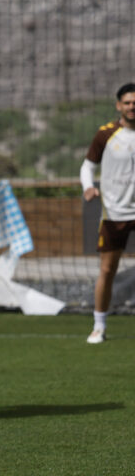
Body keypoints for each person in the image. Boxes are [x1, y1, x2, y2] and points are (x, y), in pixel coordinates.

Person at [80, 82, 135, 344]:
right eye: (127, 102)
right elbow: (87, 166)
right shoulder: (106, 134)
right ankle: (99, 326)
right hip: (114, 213)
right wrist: (88, 187)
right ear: (119, 106)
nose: (132, 106)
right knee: (107, 269)